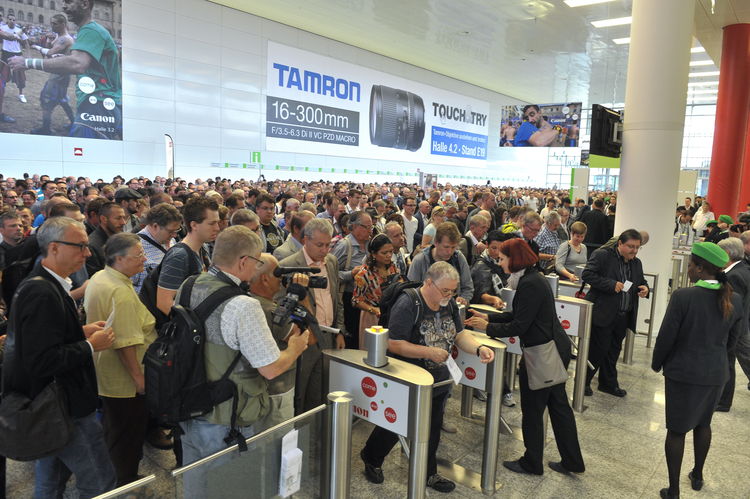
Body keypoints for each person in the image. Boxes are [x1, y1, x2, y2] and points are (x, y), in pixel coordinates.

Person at [177, 227, 310, 498]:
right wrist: (295, 348)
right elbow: (270, 368)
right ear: (243, 262)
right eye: (258, 261)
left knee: (196, 478)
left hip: (189, 404)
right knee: (232, 485)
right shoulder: (243, 305)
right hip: (228, 417)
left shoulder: (188, 285)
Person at [2, 216, 117, 497]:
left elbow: (42, 338)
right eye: (80, 246)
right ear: (54, 248)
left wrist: (80, 331)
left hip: (52, 403)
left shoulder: (44, 281)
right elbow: (41, 360)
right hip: (64, 405)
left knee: (51, 479)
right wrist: (90, 346)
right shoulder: (41, 292)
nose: (88, 253)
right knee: (100, 482)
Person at [360, 262, 494, 493]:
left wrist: (478, 348)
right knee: (395, 423)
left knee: (432, 427)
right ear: (429, 283)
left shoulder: (449, 303)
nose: (449, 296)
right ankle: (372, 456)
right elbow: (394, 343)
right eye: (445, 291)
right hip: (408, 376)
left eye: (453, 291)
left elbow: (460, 335)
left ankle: (427, 472)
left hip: (438, 378)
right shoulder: (409, 303)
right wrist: (428, 352)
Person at [465, 238, 584, 476]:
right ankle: (573, 461)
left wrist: (486, 328)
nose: (500, 262)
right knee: (559, 406)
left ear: (514, 258)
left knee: (533, 408)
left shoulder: (530, 283)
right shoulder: (533, 278)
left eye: (503, 258)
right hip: (552, 349)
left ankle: (532, 462)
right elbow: (520, 315)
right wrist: (489, 318)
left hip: (543, 353)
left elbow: (519, 325)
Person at [652, 242, 743, 499]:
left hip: (683, 374)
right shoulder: (734, 299)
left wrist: (657, 363)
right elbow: (733, 342)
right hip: (715, 374)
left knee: (677, 430)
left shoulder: (683, 296)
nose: (688, 268)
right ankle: (698, 475)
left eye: (691, 264)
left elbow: (667, 337)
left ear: (701, 269)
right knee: (704, 424)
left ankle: (674, 490)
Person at [84, 233, 156, 486]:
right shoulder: (119, 291)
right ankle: (123, 481)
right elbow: (125, 343)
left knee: (115, 429)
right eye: (138, 256)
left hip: (105, 371)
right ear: (119, 259)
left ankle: (112, 476)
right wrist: (139, 380)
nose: (143, 259)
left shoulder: (101, 277)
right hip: (124, 378)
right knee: (127, 434)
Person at [9, 0, 122, 139]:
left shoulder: (91, 30)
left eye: (68, 1)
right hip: (100, 103)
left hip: (99, 105)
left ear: (85, 4)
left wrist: (28, 62)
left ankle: (46, 127)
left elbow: (77, 63)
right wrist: (62, 57)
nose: (63, 5)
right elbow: (85, 62)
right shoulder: (87, 30)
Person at [279, 218, 347, 413]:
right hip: (303, 341)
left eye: (328, 244)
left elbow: (337, 298)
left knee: (320, 395)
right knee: (299, 395)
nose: (325, 250)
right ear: (305, 240)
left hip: (329, 336)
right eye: (319, 245)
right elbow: (280, 309)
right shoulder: (289, 265)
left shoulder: (331, 262)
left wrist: (339, 330)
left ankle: (316, 438)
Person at [582, 229, 649, 397]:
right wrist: (610, 284)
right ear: (620, 244)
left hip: (623, 315)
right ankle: (583, 382)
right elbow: (588, 274)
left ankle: (608, 384)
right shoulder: (603, 255)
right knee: (597, 351)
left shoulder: (636, 263)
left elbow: (640, 280)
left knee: (613, 352)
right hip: (602, 312)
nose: (634, 250)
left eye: (637, 247)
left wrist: (645, 288)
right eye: (630, 247)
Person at [248, 253, 299, 427]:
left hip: (254, 392)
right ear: (264, 279)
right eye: (277, 274)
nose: (282, 279)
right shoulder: (269, 309)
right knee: (279, 444)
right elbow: (308, 338)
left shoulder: (246, 301)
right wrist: (302, 295)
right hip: (278, 390)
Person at [156, 197, 218, 317]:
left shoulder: (202, 248)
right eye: (211, 223)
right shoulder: (179, 256)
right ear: (194, 225)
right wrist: (193, 326)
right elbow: (164, 303)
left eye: (217, 222)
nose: (217, 228)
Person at [715, 238, 750, 412]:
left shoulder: (733, 276)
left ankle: (723, 401)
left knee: (729, 362)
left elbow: (731, 306)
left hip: (736, 327)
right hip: (743, 324)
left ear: (727, 253)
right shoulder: (744, 269)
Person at [331, 210, 371, 349]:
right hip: (347, 300)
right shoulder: (344, 245)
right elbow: (331, 274)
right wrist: (350, 274)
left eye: (371, 227)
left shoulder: (368, 245)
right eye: (367, 227)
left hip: (364, 299)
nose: (370, 230)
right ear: (355, 227)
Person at [408, 222, 474, 305]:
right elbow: (411, 293)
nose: (449, 252)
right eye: (446, 247)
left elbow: (468, 287)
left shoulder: (459, 258)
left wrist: (463, 299)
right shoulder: (420, 261)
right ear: (436, 243)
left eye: (453, 247)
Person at [352, 233, 400, 348]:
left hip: (389, 314)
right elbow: (356, 300)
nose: (389, 255)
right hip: (372, 317)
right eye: (384, 253)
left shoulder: (392, 267)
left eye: (391, 252)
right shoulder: (364, 274)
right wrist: (373, 309)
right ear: (373, 254)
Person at [131, 203, 182, 294]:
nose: (174, 235)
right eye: (171, 231)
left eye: (177, 230)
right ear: (155, 226)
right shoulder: (133, 247)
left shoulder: (171, 240)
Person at [87, 201, 127, 276]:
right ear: (103, 219)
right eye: (118, 218)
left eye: (124, 218)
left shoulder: (120, 238)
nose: (123, 222)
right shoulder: (92, 246)